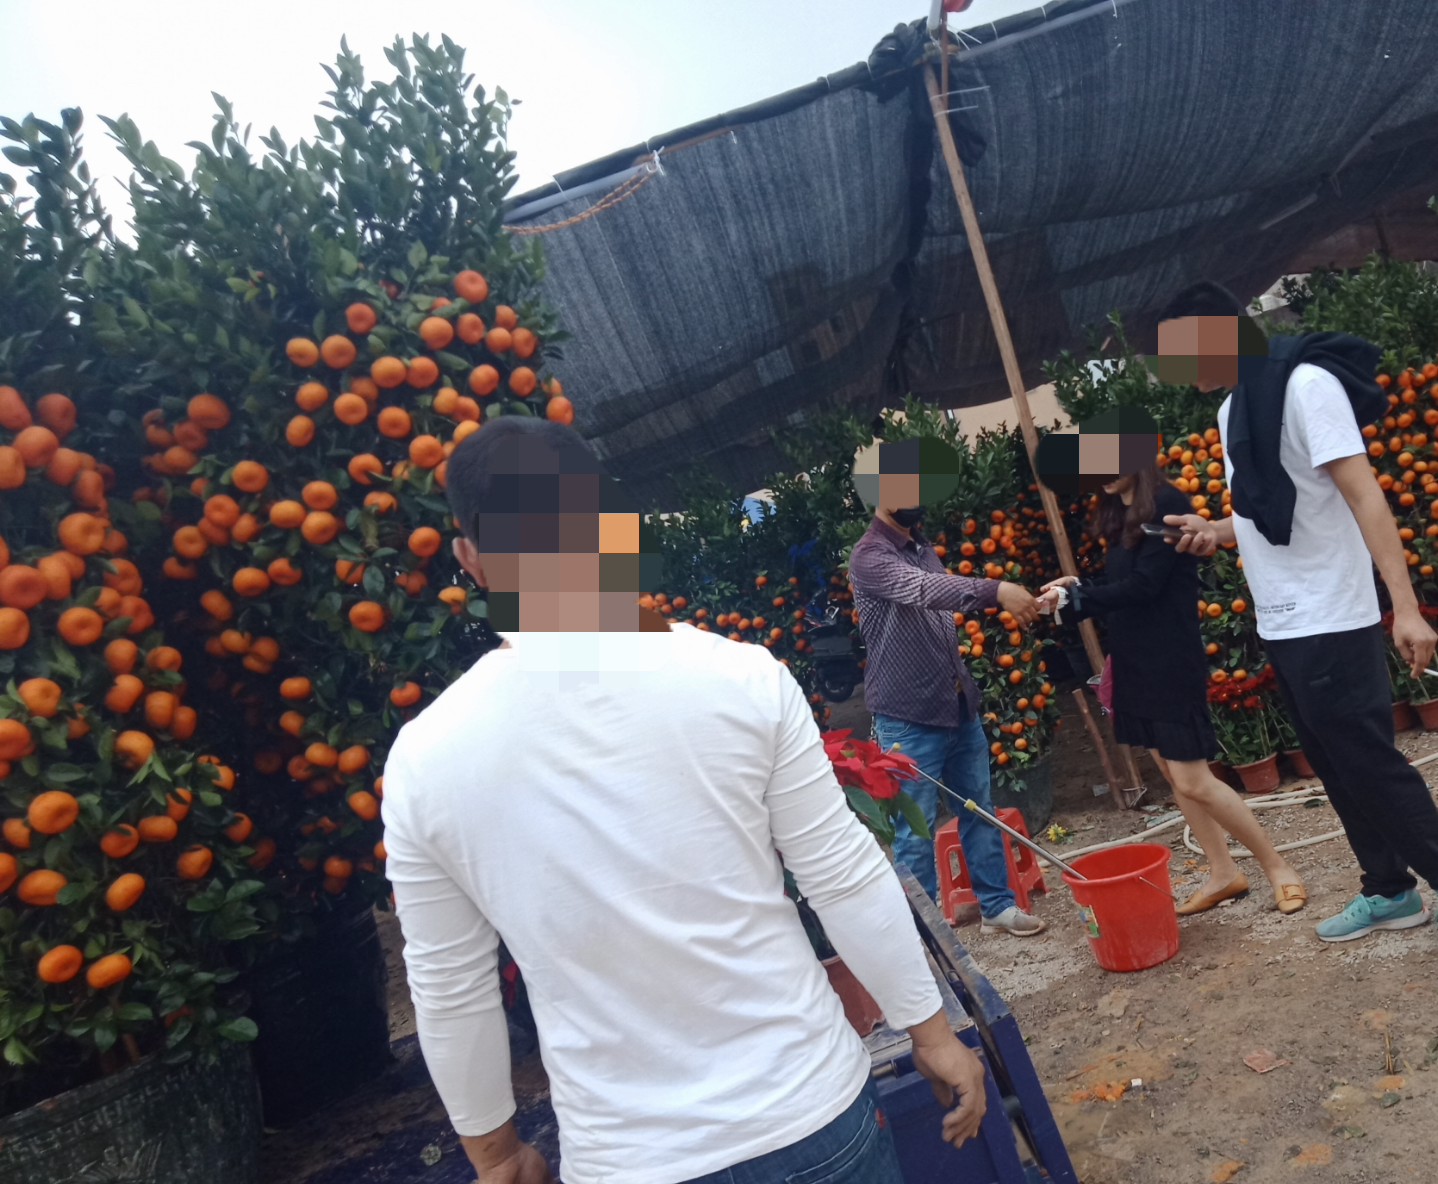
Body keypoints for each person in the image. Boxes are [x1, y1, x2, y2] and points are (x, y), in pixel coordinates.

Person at [381, 417, 990, 1184]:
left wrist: (496, 1154)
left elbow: (450, 988)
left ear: (470, 559)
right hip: (807, 1116)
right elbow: (842, 875)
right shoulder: (738, 677)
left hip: (629, 1159)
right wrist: (930, 1033)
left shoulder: (425, 760)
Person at [1155, 280, 1438, 943]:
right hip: (1283, 621)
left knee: (1371, 766)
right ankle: (1389, 889)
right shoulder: (1236, 409)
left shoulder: (1306, 386)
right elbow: (1269, 511)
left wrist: (1404, 607)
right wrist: (1214, 530)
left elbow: (1364, 495)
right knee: (1336, 767)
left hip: (1332, 616)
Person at [1036, 460, 1307, 915]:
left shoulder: (1166, 503)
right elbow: (1126, 582)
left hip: (1168, 659)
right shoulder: (1120, 512)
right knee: (1171, 771)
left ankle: (1279, 867)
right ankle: (1223, 873)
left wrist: (1076, 600)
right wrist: (1078, 587)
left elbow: (1146, 586)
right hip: (1134, 660)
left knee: (1193, 778)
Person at [847, 436, 1047, 936]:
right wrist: (996, 589)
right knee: (914, 830)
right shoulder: (869, 557)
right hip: (907, 719)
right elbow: (924, 590)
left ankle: (996, 906)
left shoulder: (921, 547)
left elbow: (936, 595)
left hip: (957, 706)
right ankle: (926, 937)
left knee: (979, 811)